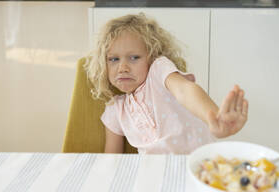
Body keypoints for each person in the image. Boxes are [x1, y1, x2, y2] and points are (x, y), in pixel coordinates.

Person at [84, 13, 248, 154]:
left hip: (197, 163)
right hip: (155, 175)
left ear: (152, 56)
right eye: (114, 59)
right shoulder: (115, 110)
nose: (123, 68)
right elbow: (112, 159)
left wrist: (214, 118)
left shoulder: (158, 70)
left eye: (134, 57)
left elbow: (185, 90)